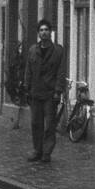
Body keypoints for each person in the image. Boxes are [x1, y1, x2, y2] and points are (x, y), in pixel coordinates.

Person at [23, 19, 64, 162]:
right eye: (41, 30)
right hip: (35, 92)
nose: (44, 32)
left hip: (50, 94)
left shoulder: (58, 51)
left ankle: (47, 152)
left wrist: (58, 91)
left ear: (50, 32)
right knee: (36, 123)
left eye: (46, 30)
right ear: (38, 33)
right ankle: (37, 150)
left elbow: (60, 72)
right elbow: (28, 70)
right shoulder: (33, 50)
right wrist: (26, 88)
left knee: (49, 125)